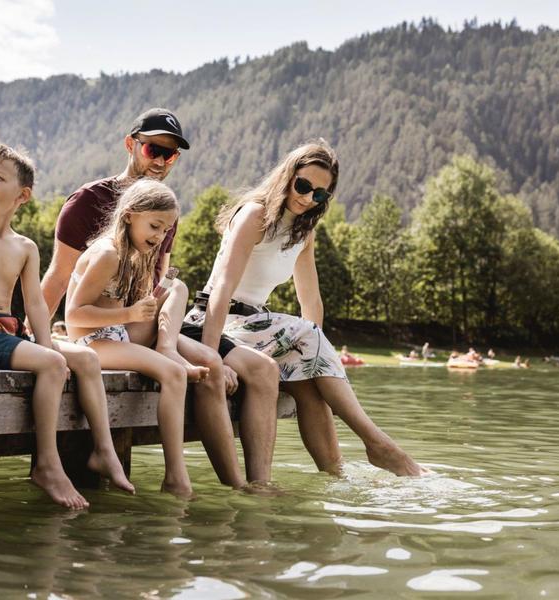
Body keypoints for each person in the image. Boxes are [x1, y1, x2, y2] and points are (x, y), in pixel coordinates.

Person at [41, 108, 278, 488]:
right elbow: (62, 284)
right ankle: (177, 477)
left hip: (132, 325)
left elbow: (155, 285)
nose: (161, 160)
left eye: (170, 155)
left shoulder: (155, 224)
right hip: (103, 330)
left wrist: (160, 315)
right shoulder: (92, 214)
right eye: (154, 150)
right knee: (179, 370)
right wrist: (34, 336)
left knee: (210, 359)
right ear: (131, 145)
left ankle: (241, 485)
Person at [0, 143, 134, 509]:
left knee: (86, 359)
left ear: (22, 196)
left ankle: (104, 451)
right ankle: (47, 464)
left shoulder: (25, 246)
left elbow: (35, 304)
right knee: (52, 364)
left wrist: (47, 346)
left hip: (8, 330)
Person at [185, 140, 426, 477]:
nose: (308, 197)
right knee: (307, 333)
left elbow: (311, 300)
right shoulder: (254, 215)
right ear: (287, 176)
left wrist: (313, 365)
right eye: (303, 186)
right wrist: (211, 358)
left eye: (320, 194)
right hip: (212, 323)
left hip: (253, 330)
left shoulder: (304, 232)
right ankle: (379, 444)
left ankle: (335, 477)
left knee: (311, 388)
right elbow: (222, 289)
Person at [65, 179, 196, 496]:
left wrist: (146, 304)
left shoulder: (134, 254)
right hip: (92, 342)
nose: (159, 236)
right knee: (174, 375)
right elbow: (74, 315)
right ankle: (176, 477)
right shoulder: (107, 254)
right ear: (129, 215)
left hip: (118, 334)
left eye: (166, 230)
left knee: (177, 288)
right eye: (154, 226)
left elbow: (126, 309)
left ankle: (167, 348)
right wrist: (130, 314)